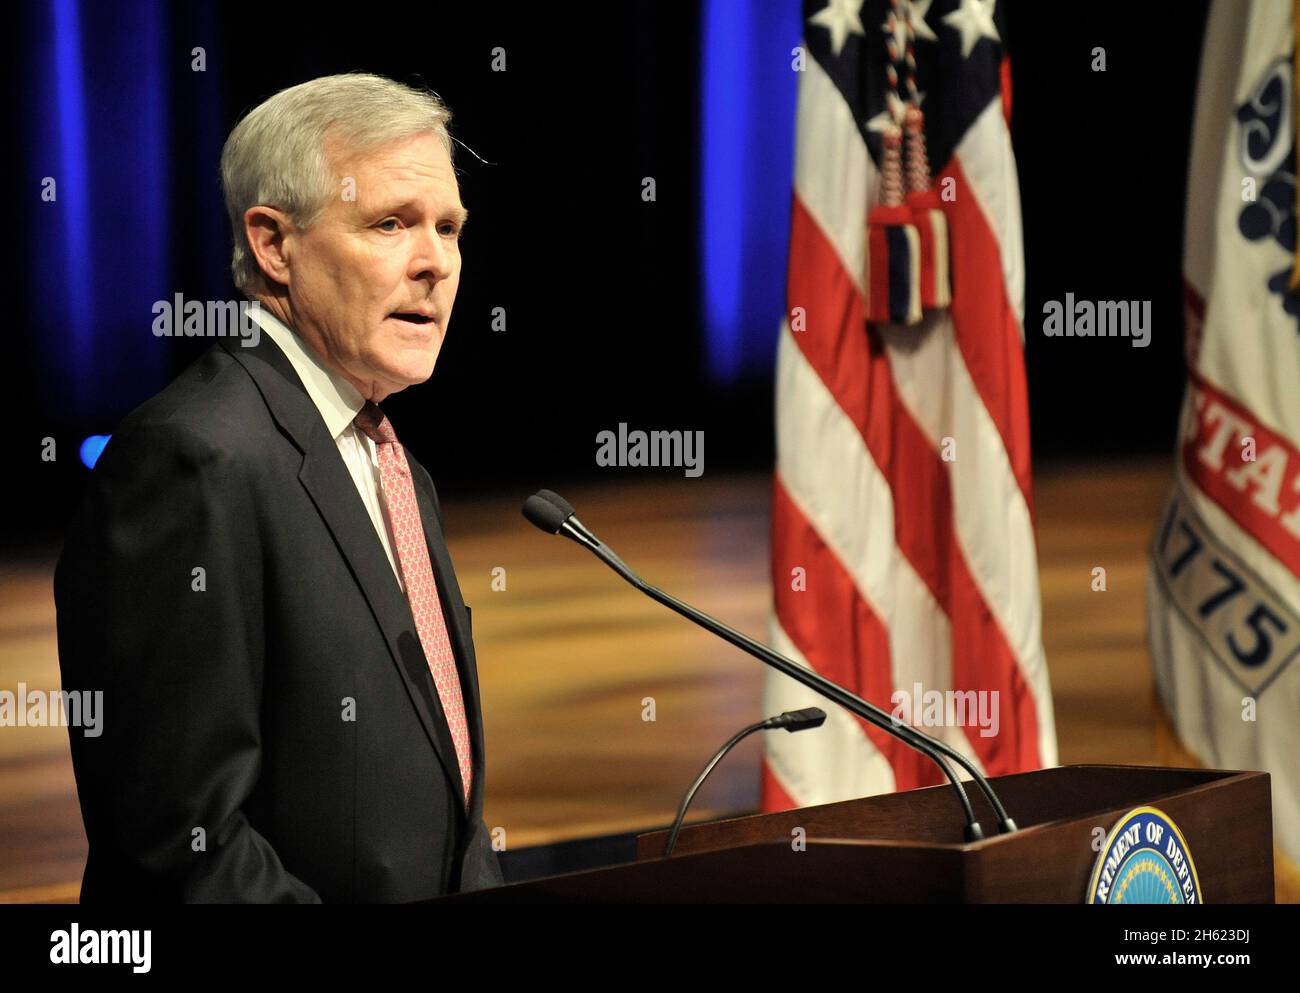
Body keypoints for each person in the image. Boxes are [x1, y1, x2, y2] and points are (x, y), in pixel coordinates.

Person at [54, 72, 502, 902]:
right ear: (272, 245)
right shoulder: (192, 459)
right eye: (391, 223)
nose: (435, 262)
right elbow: (181, 841)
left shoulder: (391, 459)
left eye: (449, 228)